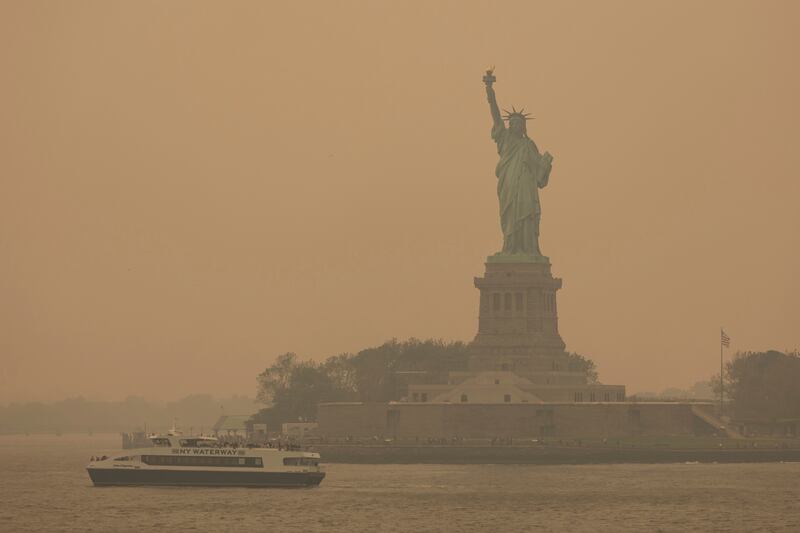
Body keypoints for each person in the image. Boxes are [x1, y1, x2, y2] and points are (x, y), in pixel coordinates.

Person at [485, 77, 553, 257]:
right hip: (508, 184)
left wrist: (546, 163)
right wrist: (490, 92)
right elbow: (496, 116)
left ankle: (528, 249)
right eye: (512, 122)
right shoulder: (505, 138)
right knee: (510, 216)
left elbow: (539, 173)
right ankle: (510, 248)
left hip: (526, 186)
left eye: (518, 123)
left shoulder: (528, 145)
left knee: (526, 214)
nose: (515, 125)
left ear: (523, 127)